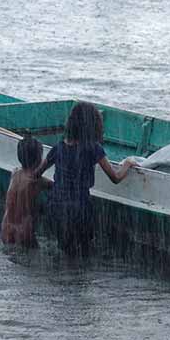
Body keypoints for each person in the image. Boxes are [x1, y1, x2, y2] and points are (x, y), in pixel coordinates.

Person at [33, 101, 134, 256]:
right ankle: (78, 277)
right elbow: (115, 177)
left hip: (56, 207)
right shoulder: (94, 148)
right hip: (80, 209)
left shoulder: (57, 148)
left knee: (65, 250)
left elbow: (37, 175)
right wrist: (128, 163)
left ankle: (63, 275)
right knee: (83, 252)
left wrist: (55, 185)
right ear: (93, 126)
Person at [0, 135, 47, 247]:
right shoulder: (37, 180)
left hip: (6, 228)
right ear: (39, 159)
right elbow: (59, 187)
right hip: (24, 231)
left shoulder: (14, 174)